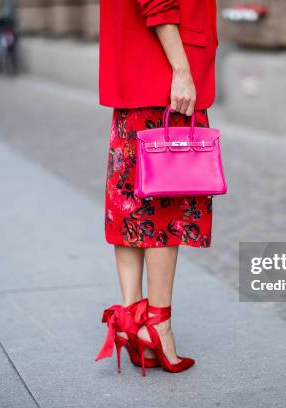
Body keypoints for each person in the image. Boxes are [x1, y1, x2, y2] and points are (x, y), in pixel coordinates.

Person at [95, 0, 218, 375]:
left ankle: (133, 323)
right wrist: (181, 69)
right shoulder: (173, 70)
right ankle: (158, 325)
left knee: (130, 204)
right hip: (163, 73)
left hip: (135, 75)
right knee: (164, 209)